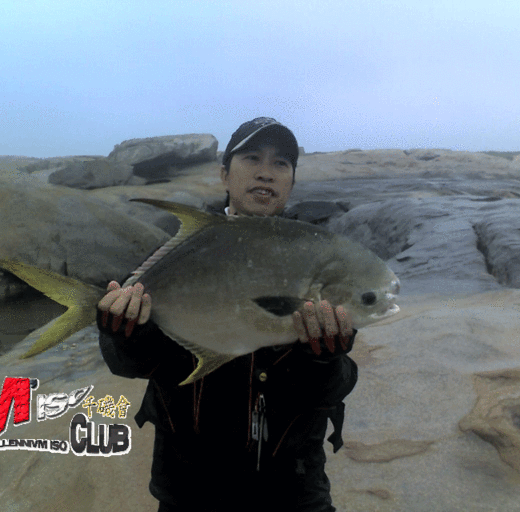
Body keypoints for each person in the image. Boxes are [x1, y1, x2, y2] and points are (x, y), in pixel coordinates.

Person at [97, 118, 358, 512]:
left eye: (281, 163)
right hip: (190, 491)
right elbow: (129, 364)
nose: (266, 172)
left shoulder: (316, 260)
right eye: (252, 158)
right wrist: (126, 335)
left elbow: (334, 388)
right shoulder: (180, 256)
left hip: (293, 490)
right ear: (224, 174)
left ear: (291, 182)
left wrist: (324, 358)